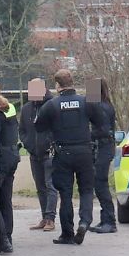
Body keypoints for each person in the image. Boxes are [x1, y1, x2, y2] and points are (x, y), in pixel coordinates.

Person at [34, 69, 104, 246]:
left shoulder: (52, 105)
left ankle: (67, 233)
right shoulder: (87, 101)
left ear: (57, 85)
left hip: (63, 153)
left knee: (65, 195)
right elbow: (102, 123)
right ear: (72, 82)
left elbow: (38, 126)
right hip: (85, 152)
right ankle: (84, 222)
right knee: (87, 190)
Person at [19, 79, 57, 232]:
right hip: (34, 154)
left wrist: (51, 144)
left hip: (50, 153)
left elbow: (57, 127)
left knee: (50, 186)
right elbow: (22, 130)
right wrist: (28, 144)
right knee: (40, 187)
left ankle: (50, 218)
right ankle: (44, 217)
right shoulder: (26, 108)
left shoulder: (52, 106)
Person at [0, 91, 20, 254]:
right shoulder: (10, 109)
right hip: (13, 156)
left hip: (2, 159)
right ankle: (9, 237)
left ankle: (4, 240)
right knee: (6, 199)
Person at [89, 78, 118, 234]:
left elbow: (103, 130)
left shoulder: (102, 107)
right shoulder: (104, 105)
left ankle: (110, 221)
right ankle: (105, 218)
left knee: (101, 184)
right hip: (103, 147)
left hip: (103, 147)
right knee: (99, 184)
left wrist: (86, 134)